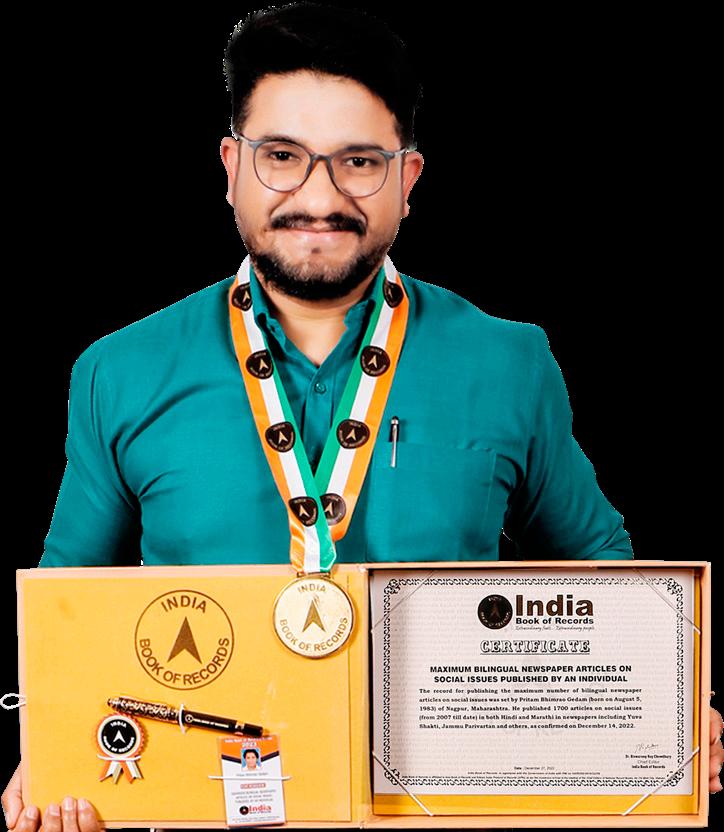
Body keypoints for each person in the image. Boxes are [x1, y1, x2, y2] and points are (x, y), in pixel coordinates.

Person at [2, 4, 721, 830]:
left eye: (359, 163)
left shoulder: (509, 362)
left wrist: (669, 703)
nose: (319, 197)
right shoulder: (118, 370)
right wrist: (52, 750)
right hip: (201, 811)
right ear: (232, 167)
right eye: (282, 157)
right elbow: (67, 602)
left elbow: (599, 565)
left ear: (408, 180)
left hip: (447, 814)